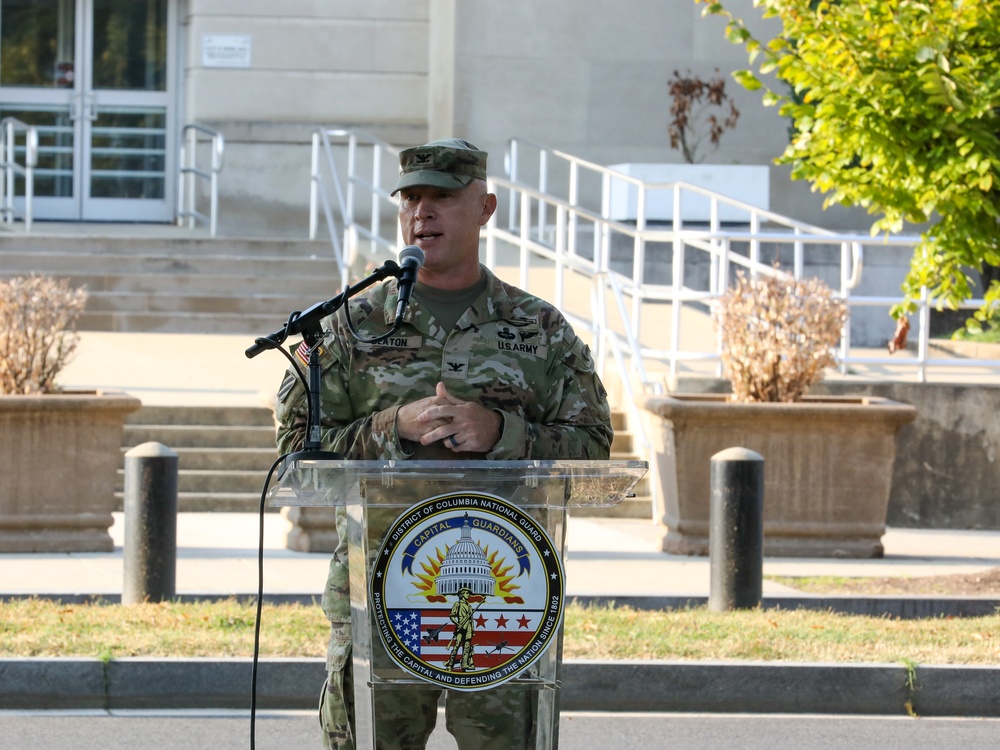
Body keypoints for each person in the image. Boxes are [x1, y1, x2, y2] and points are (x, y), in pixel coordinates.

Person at [274, 138, 613, 750]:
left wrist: (501, 433)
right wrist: (390, 426)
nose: (421, 213)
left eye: (442, 198)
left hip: (504, 596)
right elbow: (298, 458)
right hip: (379, 593)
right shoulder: (348, 327)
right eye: (411, 197)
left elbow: (592, 453)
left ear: (485, 208)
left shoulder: (538, 328)